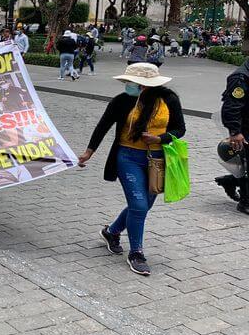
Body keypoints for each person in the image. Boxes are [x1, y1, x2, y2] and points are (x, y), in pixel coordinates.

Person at [78, 63, 185, 276]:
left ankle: (111, 231)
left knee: (144, 206)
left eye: (133, 83)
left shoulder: (168, 99)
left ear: (147, 84)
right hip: (128, 157)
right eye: (127, 82)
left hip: (157, 159)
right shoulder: (122, 101)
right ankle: (136, 253)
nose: (128, 85)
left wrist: (159, 138)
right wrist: (89, 152)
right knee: (138, 204)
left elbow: (179, 129)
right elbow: (103, 126)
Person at [220, 58, 249, 213]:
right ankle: (246, 202)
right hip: (245, 128)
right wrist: (235, 132)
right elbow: (231, 106)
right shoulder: (240, 77)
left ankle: (231, 181)